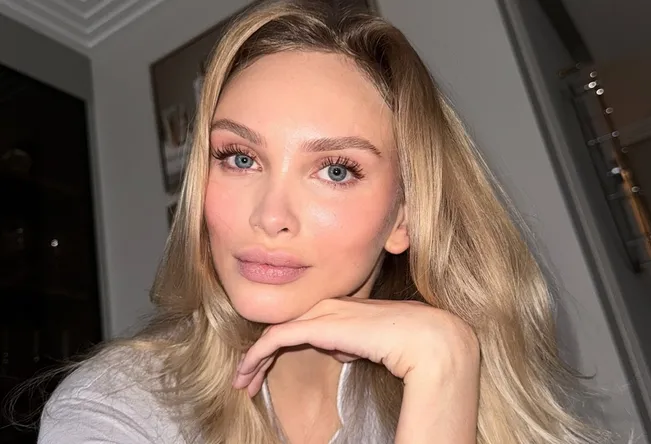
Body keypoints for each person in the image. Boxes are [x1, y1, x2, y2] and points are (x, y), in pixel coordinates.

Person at [37, 0, 607, 443]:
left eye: (336, 170)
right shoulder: (120, 404)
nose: (270, 216)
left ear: (404, 217)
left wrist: (446, 371)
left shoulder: (462, 389)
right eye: (240, 158)